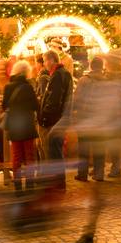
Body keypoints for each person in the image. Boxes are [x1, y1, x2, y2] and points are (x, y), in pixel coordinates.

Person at [73, 54, 121, 243]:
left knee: (117, 192)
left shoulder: (119, 82)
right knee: (103, 193)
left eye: (107, 64)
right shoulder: (112, 81)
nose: (105, 66)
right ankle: (90, 234)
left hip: (114, 134)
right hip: (108, 134)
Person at [37, 52, 74, 188]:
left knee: (52, 150)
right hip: (59, 118)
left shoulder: (58, 75)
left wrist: (45, 116)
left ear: (51, 60)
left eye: (45, 61)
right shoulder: (63, 73)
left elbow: (54, 100)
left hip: (53, 120)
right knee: (55, 150)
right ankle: (57, 181)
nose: (44, 64)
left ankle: (56, 182)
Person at [2, 60, 40, 189]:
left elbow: (4, 106)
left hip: (14, 125)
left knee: (16, 156)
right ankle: (29, 185)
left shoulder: (8, 87)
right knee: (29, 156)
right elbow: (35, 106)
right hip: (28, 125)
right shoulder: (28, 87)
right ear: (26, 72)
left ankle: (18, 186)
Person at [71, 58, 110, 182]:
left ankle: (82, 174)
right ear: (101, 66)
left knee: (84, 148)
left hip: (85, 119)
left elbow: (76, 100)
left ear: (91, 66)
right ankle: (99, 174)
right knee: (99, 147)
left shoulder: (83, 80)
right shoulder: (106, 81)